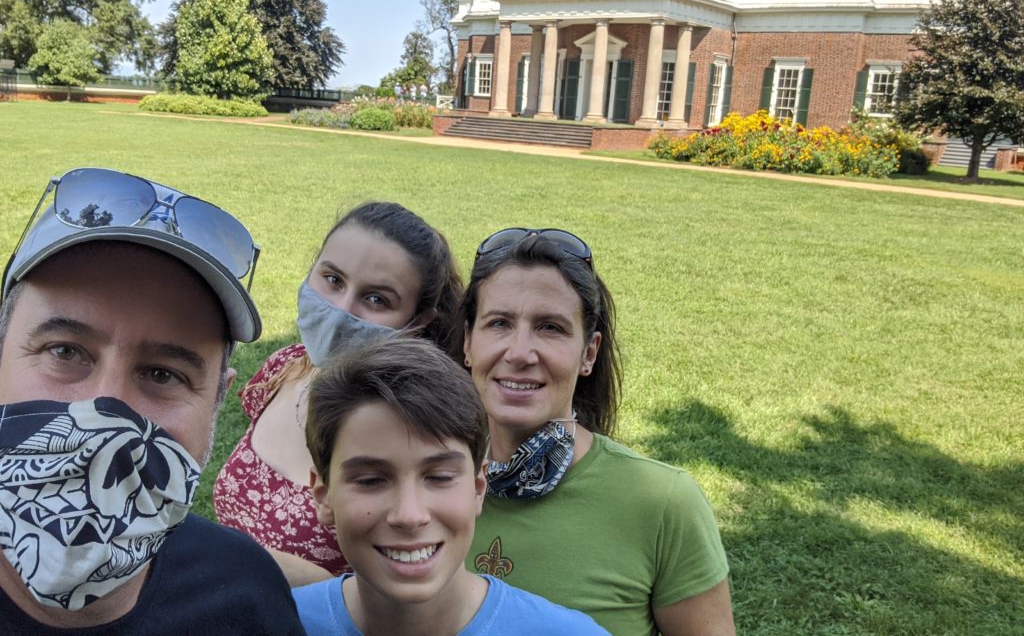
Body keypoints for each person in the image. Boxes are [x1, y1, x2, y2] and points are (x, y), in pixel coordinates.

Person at [0, 166, 304, 634]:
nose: (103, 411)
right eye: (65, 352)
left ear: (216, 404)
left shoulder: (248, 598)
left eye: (163, 374)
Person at [460, 228, 735, 636]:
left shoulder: (663, 504)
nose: (519, 353)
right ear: (468, 342)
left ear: (589, 353)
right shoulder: (420, 488)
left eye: (550, 328)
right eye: (499, 323)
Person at [214, 201, 463, 586]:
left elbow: (410, 589)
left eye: (377, 299)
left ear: (416, 323)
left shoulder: (414, 433)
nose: (341, 309)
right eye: (332, 279)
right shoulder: (285, 368)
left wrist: (251, 563)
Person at [294, 333, 609, 635]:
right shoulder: (280, 622)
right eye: (371, 481)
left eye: (440, 477)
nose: (410, 515)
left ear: (478, 487)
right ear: (323, 496)